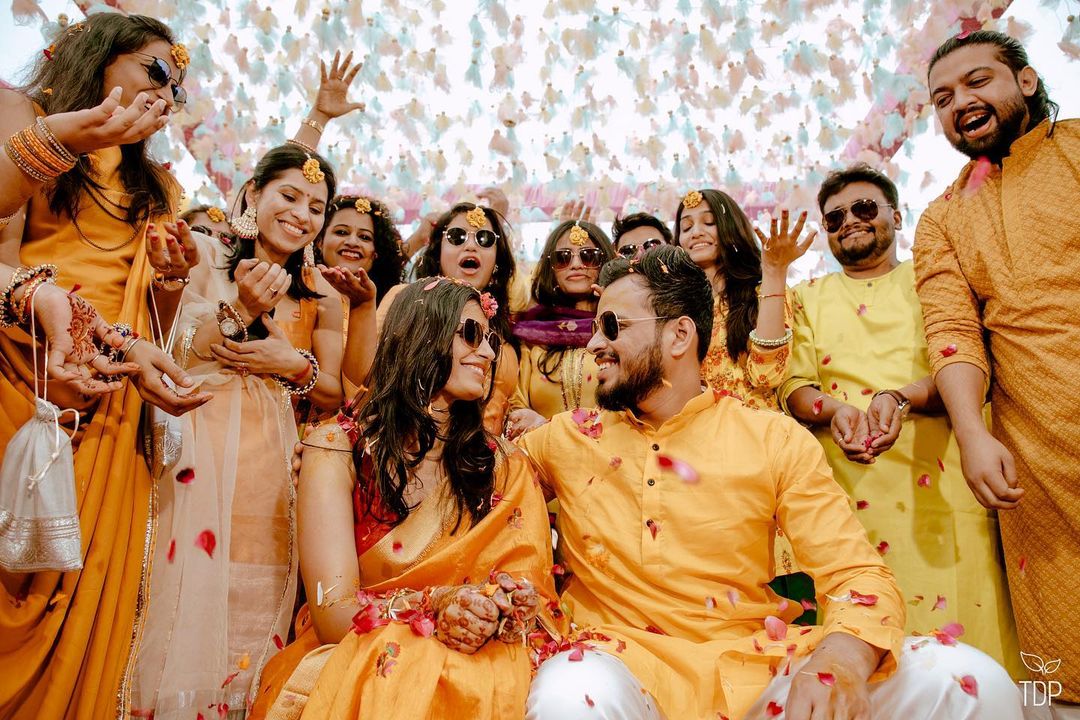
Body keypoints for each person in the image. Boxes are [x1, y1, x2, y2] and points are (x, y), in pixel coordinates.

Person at [519, 245, 1021, 720]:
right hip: (618, 669)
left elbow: (856, 575)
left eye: (612, 325)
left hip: (752, 669)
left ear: (678, 336)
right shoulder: (563, 439)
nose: (594, 343)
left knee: (969, 680)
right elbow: (481, 494)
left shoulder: (771, 438)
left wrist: (840, 662)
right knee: (570, 692)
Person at [0, 15, 212, 718]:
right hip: (19, 366)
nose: (166, 94)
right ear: (101, 57)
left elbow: (147, 309)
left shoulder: (158, 187)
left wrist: (173, 281)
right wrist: (60, 138)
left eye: (177, 88)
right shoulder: (23, 113)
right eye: (156, 71)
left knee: (87, 600)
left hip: (109, 393)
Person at [251, 277, 555, 719]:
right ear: (421, 334)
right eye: (470, 335)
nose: (488, 354)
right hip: (359, 653)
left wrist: (501, 607)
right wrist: (435, 605)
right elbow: (334, 615)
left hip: (483, 653)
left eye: (491, 340)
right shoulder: (338, 447)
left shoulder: (502, 464)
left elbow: (532, 594)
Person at [129, 144, 346, 717]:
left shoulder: (321, 293)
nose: (302, 214)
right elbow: (177, 351)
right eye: (290, 196)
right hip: (197, 446)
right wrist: (242, 310)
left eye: (316, 206)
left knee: (259, 596)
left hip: (273, 461)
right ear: (252, 195)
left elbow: (335, 391)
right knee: (185, 596)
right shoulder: (199, 254)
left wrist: (292, 365)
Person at [779, 164, 1020, 676]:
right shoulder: (808, 298)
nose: (850, 222)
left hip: (944, 485)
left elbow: (971, 360)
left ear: (896, 214)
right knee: (863, 654)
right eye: (835, 216)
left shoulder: (934, 280)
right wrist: (838, 410)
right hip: (846, 498)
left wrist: (901, 398)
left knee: (968, 659)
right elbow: (794, 387)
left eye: (865, 208)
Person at [915, 30, 1080, 707]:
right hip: (1036, 456)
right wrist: (975, 436)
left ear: (1029, 80)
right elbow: (952, 331)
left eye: (978, 82)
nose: (962, 103)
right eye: (944, 98)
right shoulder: (943, 218)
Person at [377, 202, 520, 435]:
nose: (471, 245)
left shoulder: (506, 321)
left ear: (497, 259)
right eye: (457, 236)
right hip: (415, 449)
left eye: (484, 239)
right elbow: (368, 379)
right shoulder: (403, 299)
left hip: (488, 459)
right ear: (437, 250)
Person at [674, 189, 810, 411]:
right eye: (686, 227)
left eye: (709, 222)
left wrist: (774, 273)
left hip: (756, 429)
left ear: (731, 228)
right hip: (694, 433)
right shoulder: (674, 306)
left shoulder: (761, 292)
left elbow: (766, 375)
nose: (696, 232)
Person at [506, 220, 614, 437]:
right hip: (544, 459)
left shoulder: (620, 329)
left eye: (588, 255)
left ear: (605, 263)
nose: (575, 264)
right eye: (563, 258)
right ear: (550, 269)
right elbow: (515, 404)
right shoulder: (531, 335)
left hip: (614, 456)